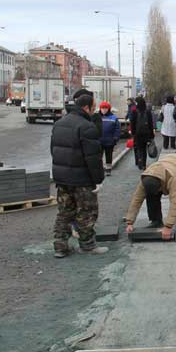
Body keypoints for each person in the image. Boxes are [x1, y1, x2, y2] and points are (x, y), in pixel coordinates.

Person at [50, 89, 106, 257]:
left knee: (64, 213)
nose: (95, 110)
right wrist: (98, 180)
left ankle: (60, 247)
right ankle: (88, 246)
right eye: (93, 107)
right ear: (87, 107)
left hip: (62, 178)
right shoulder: (87, 127)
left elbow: (54, 150)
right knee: (86, 213)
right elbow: (93, 158)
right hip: (82, 180)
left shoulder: (59, 123)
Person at [124, 154, 176, 240]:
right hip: (172, 164)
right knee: (150, 193)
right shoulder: (146, 179)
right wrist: (130, 222)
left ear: (161, 186)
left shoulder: (171, 177)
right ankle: (156, 221)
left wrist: (168, 226)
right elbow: (137, 199)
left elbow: (175, 202)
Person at [129, 96, 154, 170]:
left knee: (139, 148)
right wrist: (151, 134)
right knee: (144, 149)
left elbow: (132, 123)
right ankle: (144, 164)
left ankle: (139, 162)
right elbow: (150, 124)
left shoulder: (134, 111)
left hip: (137, 134)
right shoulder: (148, 111)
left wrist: (133, 133)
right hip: (146, 133)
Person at [98, 101, 121, 174]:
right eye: (102, 108)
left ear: (109, 109)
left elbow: (117, 129)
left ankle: (108, 169)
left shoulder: (113, 117)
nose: (104, 110)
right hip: (98, 141)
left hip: (109, 140)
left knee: (109, 155)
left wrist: (115, 138)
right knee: (98, 156)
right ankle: (99, 169)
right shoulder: (97, 117)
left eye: (105, 108)